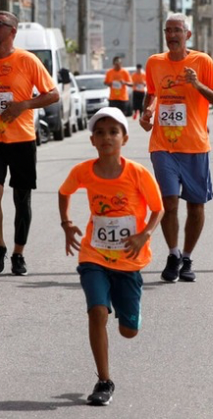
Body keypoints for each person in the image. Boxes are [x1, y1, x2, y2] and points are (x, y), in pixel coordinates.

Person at [58, 107, 164, 407]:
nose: (107, 138)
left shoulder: (137, 173)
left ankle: (128, 309)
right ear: (92, 140)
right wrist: (67, 224)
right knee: (97, 312)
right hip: (93, 255)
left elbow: (158, 208)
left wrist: (145, 234)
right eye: (100, 133)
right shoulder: (83, 171)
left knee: (128, 331)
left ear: (124, 138)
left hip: (129, 259)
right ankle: (104, 380)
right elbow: (64, 192)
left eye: (113, 132)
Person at [0, 11, 59, 276]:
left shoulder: (28, 60)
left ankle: (18, 252)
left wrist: (24, 105)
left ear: (12, 31)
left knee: (21, 199)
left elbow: (53, 94)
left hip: (22, 139)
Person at [139, 13, 213, 283]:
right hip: (163, 145)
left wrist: (197, 84)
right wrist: (147, 112)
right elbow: (151, 93)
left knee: (196, 206)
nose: (172, 35)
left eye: (177, 30)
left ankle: (187, 257)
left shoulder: (202, 62)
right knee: (168, 203)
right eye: (168, 30)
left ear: (188, 35)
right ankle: (173, 253)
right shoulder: (155, 62)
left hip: (195, 145)